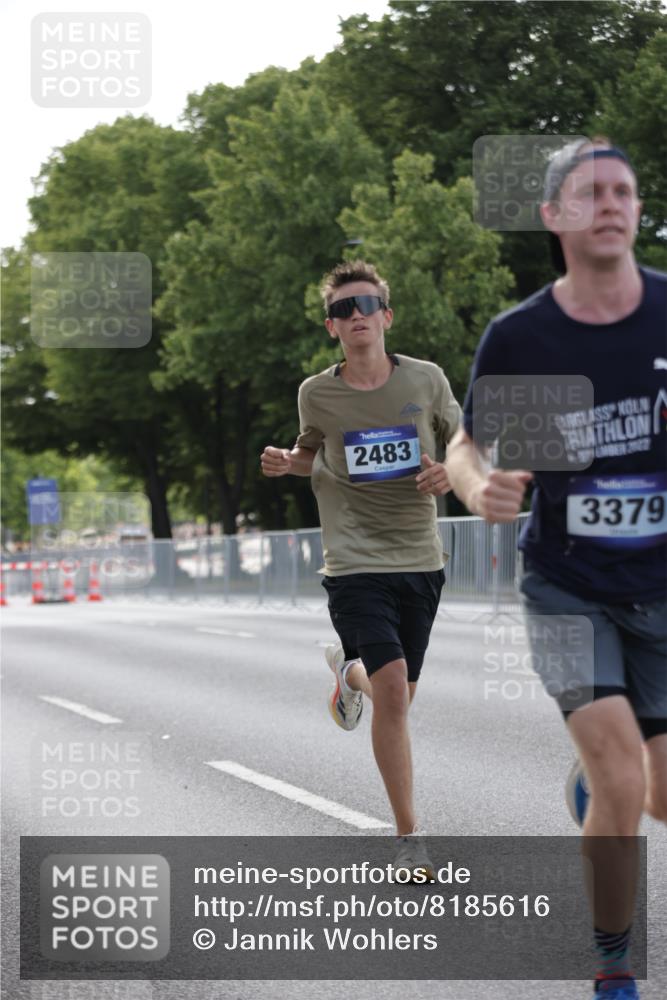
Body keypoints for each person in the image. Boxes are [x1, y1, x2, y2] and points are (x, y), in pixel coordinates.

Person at [446, 138, 667, 999]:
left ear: (637, 211)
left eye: (624, 191)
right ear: (554, 217)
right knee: (621, 778)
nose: (610, 203)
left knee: (654, 799)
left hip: (659, 589)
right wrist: (477, 489)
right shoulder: (526, 336)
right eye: (589, 192)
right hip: (565, 588)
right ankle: (614, 966)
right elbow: (468, 445)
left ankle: (592, 781)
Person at [261, 260, 461, 877]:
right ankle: (409, 840)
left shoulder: (426, 381)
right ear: (332, 328)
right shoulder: (316, 393)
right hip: (351, 561)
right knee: (395, 690)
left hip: (419, 557)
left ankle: (349, 676)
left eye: (366, 305)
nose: (356, 317)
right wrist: (282, 462)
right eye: (343, 310)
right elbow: (311, 455)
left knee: (396, 697)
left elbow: (471, 447)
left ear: (386, 316)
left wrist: (452, 471)